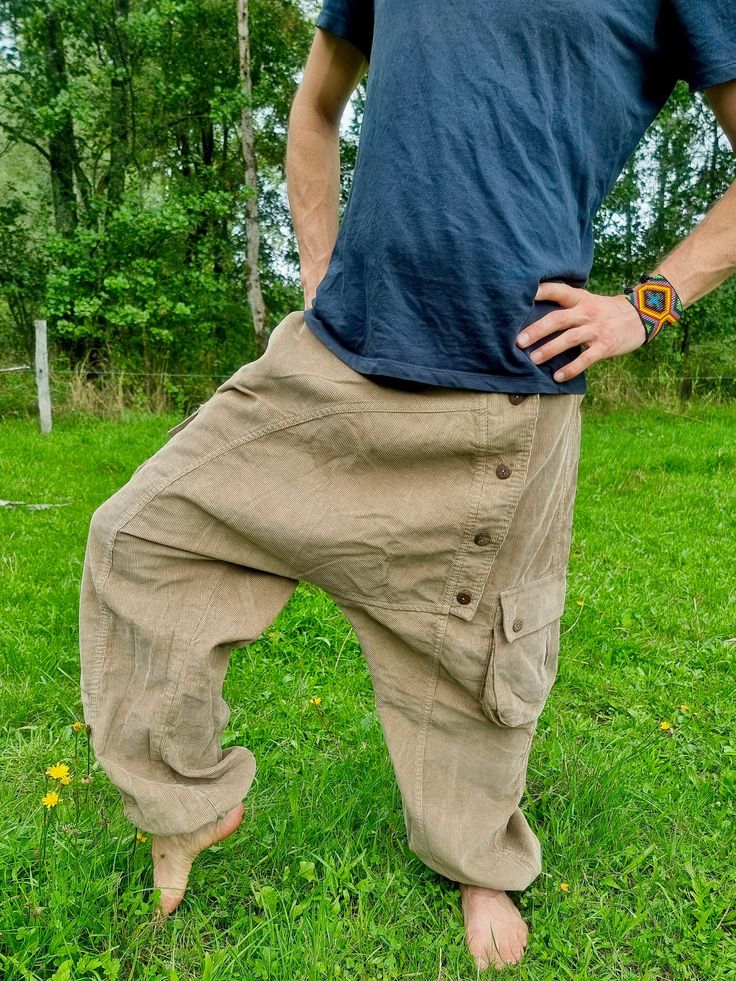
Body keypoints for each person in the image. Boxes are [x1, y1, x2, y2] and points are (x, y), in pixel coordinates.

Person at [79, 1, 736, 971]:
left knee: (479, 664)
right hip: (335, 358)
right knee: (142, 535)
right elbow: (314, 108)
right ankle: (182, 802)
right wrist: (316, 270)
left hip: (507, 383)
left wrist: (646, 305)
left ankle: (479, 864)